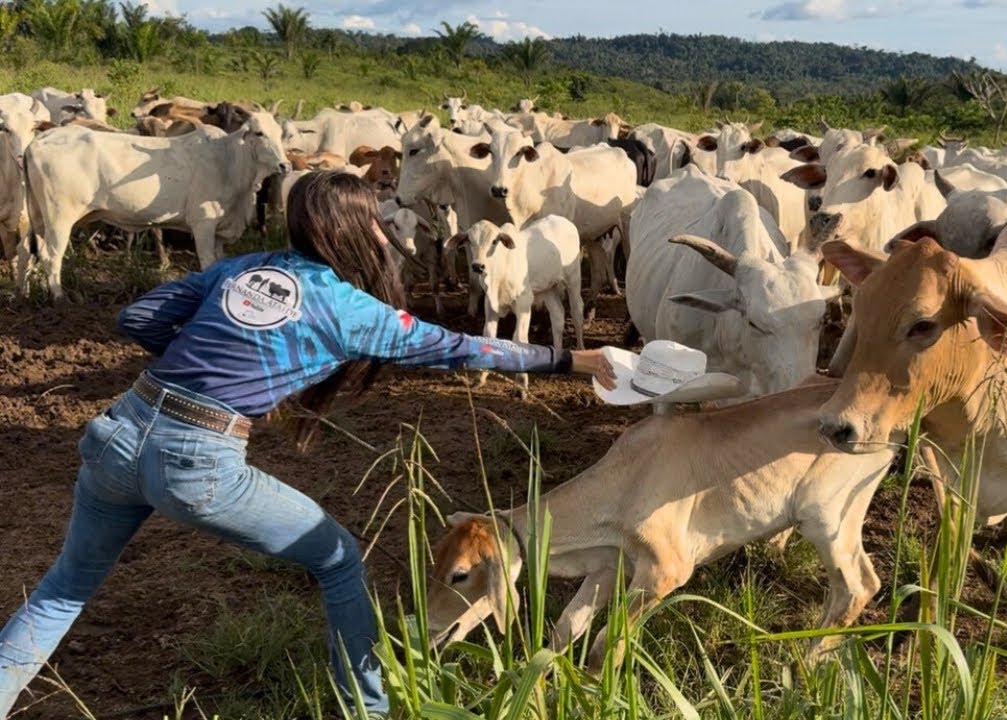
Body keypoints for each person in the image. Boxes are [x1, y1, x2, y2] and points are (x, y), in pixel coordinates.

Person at [0, 171, 617, 718]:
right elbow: (464, 347)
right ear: (351, 230)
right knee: (338, 557)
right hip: (197, 458)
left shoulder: (244, 268)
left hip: (120, 430)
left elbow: (137, 318)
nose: (383, 236)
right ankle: (368, 710)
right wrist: (569, 359)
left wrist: (213, 356)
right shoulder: (350, 309)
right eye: (374, 224)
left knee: (62, 591)